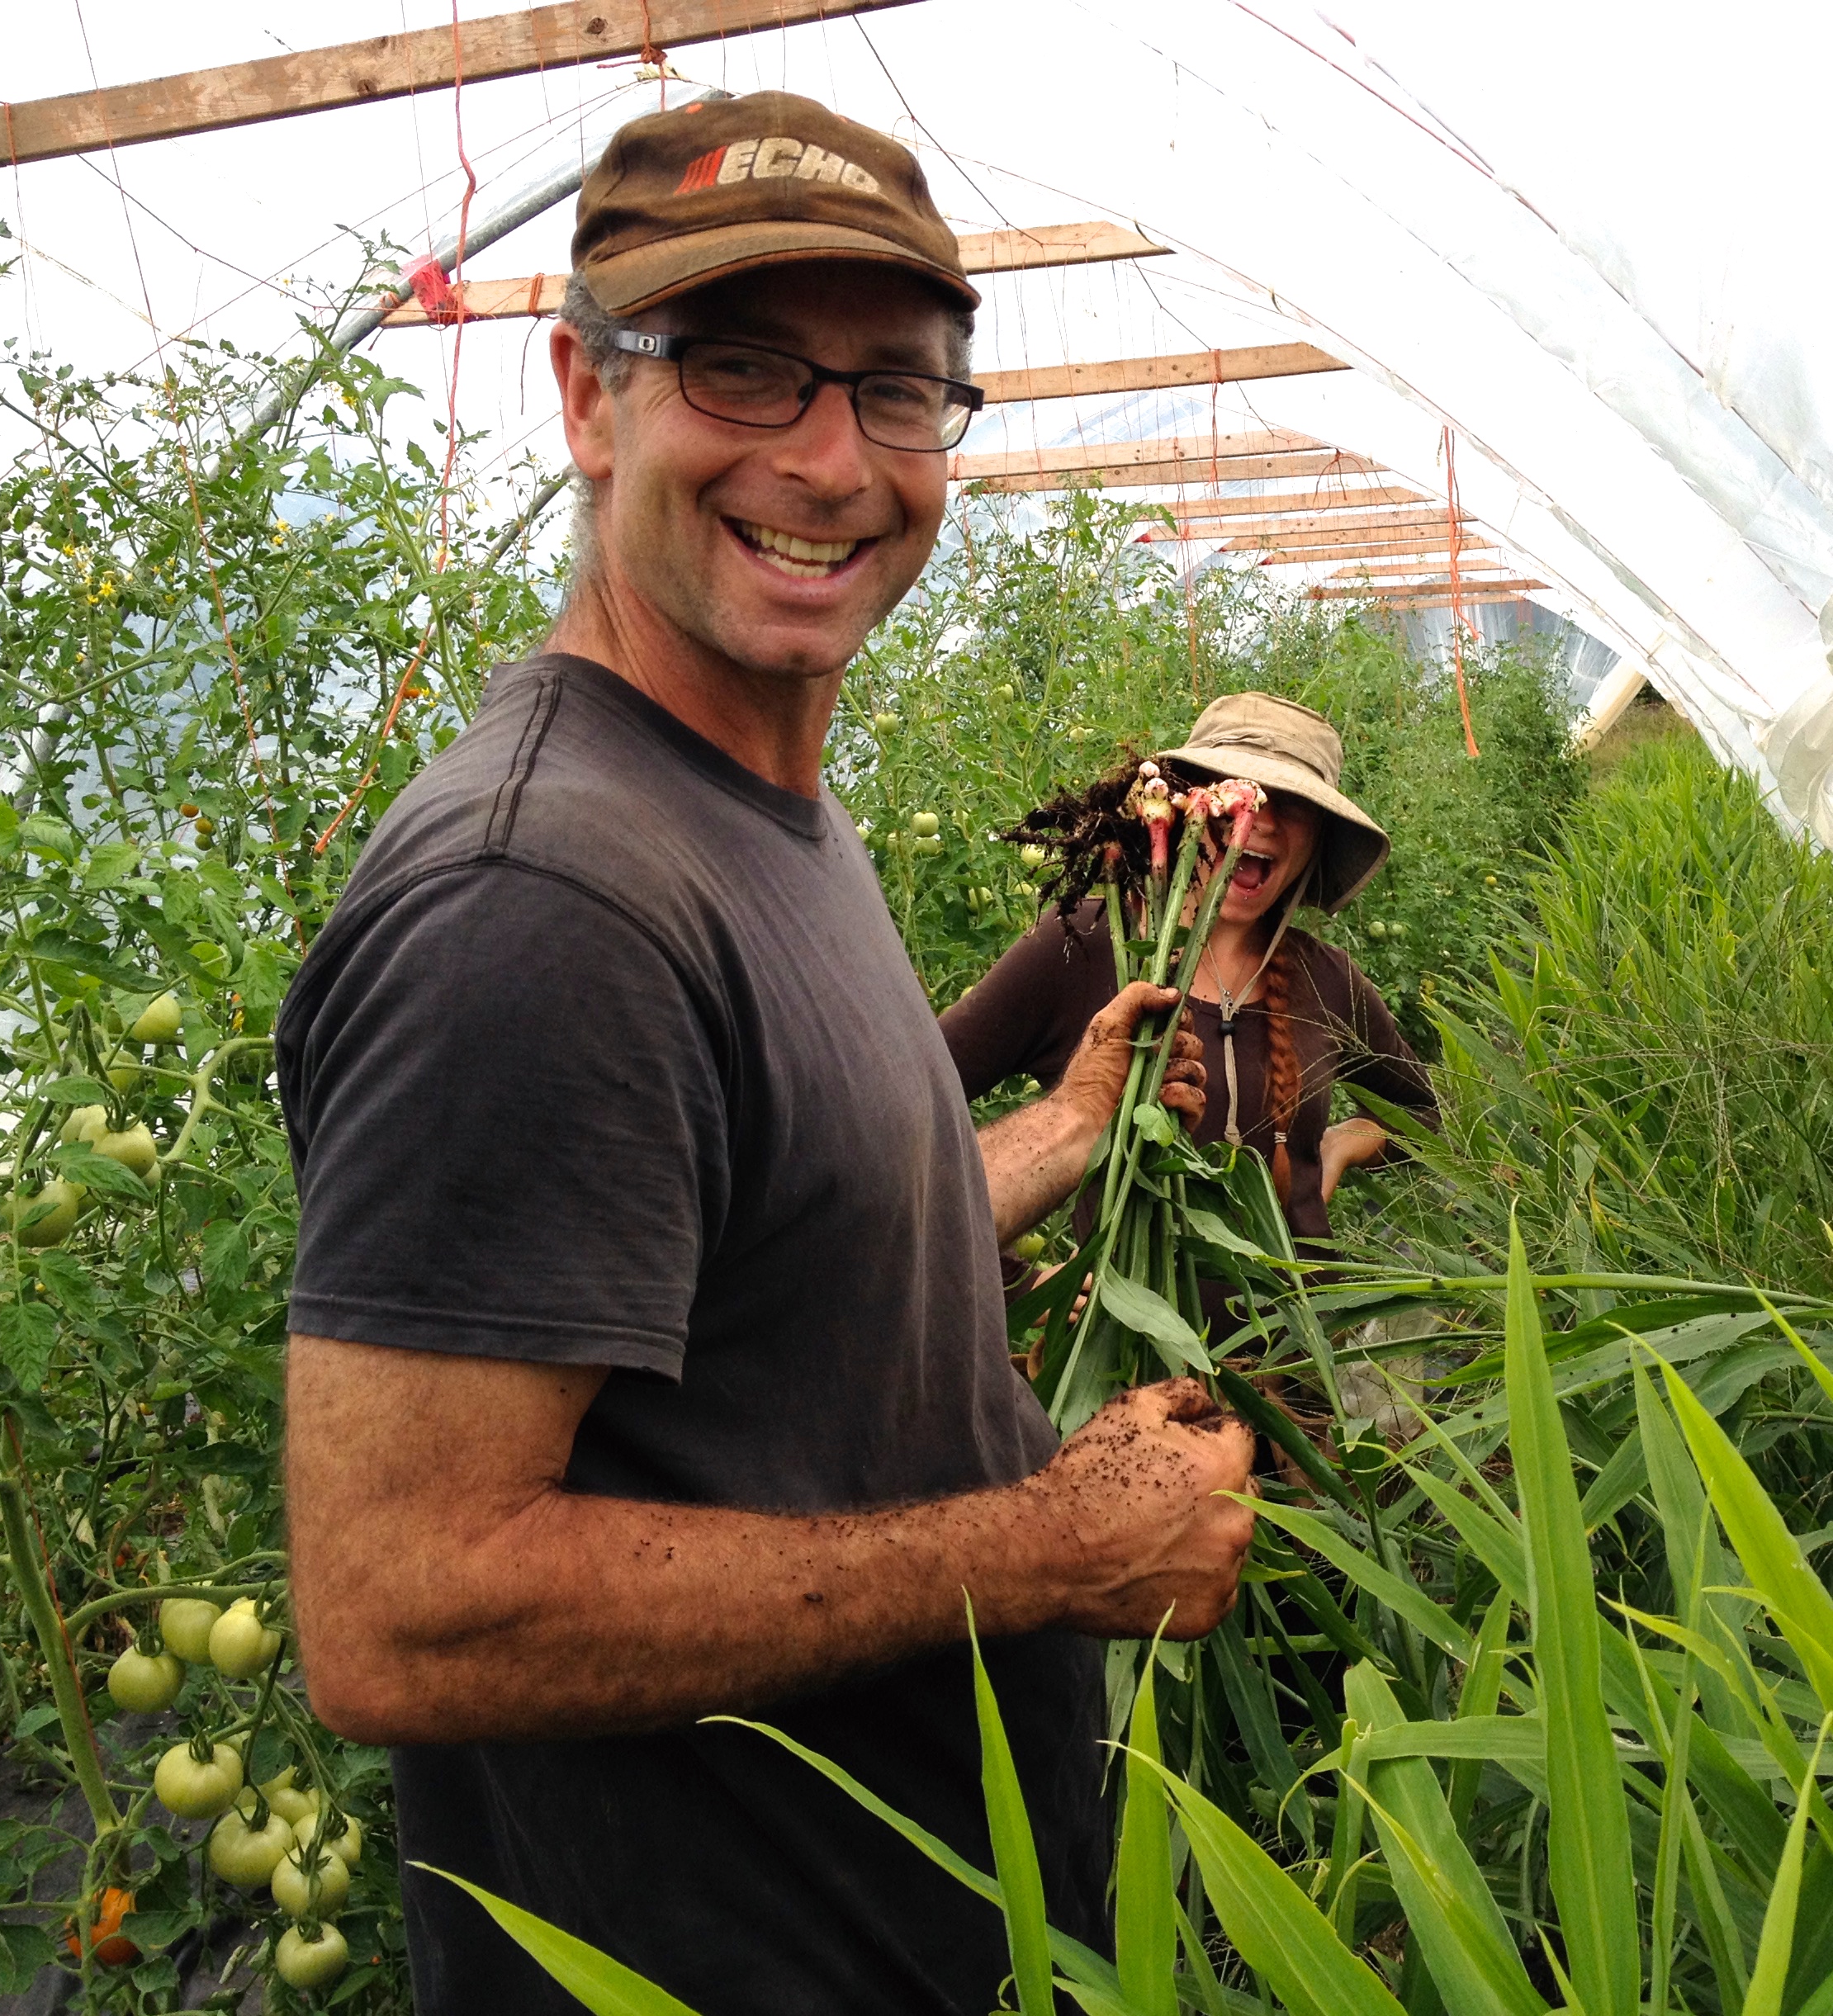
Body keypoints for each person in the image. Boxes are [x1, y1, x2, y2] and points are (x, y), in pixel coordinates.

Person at [276, 92, 1254, 2016]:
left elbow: (754, 1271)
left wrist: (1055, 1131)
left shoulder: (756, 812)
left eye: (898, 390)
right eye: (743, 368)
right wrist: (1052, 1543)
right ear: (585, 395)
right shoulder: (548, 897)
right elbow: (403, 1608)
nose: (832, 458)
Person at [942, 692, 1437, 1292]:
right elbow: (908, 1119)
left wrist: (1342, 1144)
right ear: (1182, 805)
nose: (1260, 815)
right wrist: (1029, 1288)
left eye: (1295, 802)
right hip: (1136, 1369)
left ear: (1319, 838)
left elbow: (1424, 1110)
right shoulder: (1088, 947)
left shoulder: (1325, 980)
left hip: (1295, 1360)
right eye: (1232, 787)